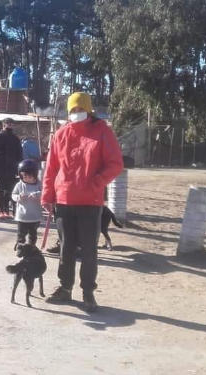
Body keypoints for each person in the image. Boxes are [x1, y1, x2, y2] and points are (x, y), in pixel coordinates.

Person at [41, 92, 123, 313]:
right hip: (64, 200)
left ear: (89, 109)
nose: (76, 114)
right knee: (66, 247)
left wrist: (97, 182)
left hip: (90, 201)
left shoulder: (102, 132)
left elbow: (115, 164)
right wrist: (47, 196)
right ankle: (65, 288)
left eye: (80, 109)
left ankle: (88, 291)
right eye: (73, 110)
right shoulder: (61, 134)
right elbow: (51, 168)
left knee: (88, 250)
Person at [0, 117, 23, 220]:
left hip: (12, 168)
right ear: (3, 124)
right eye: (8, 123)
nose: (10, 125)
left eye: (12, 124)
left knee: (10, 190)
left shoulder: (15, 138)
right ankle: (0, 210)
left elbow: (20, 154)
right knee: (1, 189)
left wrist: (20, 167)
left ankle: (6, 210)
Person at [11, 159, 42, 247]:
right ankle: (20, 245)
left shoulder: (39, 184)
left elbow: (44, 193)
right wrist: (18, 197)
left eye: (29, 177)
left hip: (35, 216)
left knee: (33, 233)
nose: (27, 179)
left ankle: (31, 246)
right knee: (21, 233)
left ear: (35, 175)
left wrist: (37, 194)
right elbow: (13, 195)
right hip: (22, 216)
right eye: (24, 177)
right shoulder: (19, 185)